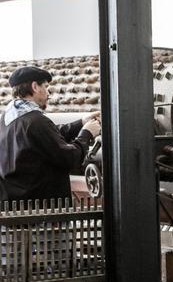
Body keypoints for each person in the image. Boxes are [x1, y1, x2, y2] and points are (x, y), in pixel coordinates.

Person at [0, 65, 101, 202]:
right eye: (46, 87)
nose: (48, 93)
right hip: (42, 210)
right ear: (35, 87)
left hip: (17, 208)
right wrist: (87, 134)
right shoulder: (36, 121)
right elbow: (69, 158)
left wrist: (81, 123)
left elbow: (49, 135)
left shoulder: (7, 119)